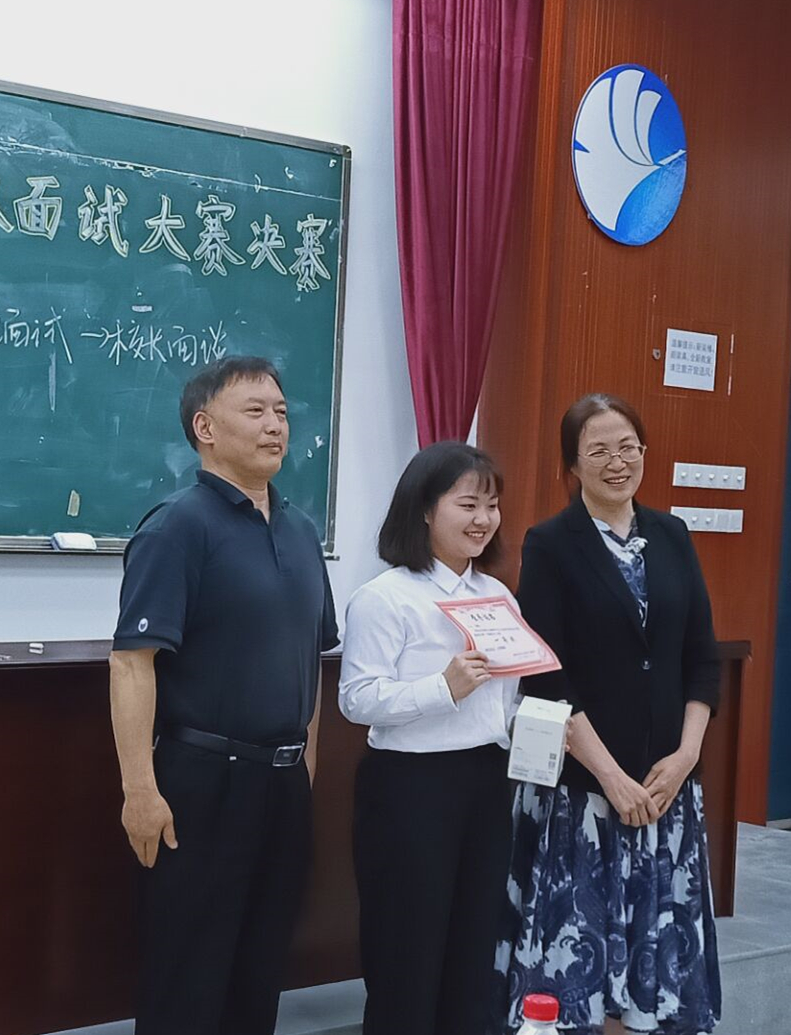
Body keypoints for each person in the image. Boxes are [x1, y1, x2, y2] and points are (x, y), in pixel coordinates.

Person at [108, 355, 340, 1035]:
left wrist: (304, 768)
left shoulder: (300, 530)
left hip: (281, 786)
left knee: (258, 975)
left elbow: (310, 659)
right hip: (202, 784)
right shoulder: (177, 526)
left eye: (282, 412)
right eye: (255, 411)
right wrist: (140, 790)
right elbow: (131, 664)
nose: (276, 425)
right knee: (189, 979)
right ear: (204, 428)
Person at [499, 393, 722, 1035]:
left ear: (645, 452)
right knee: (581, 980)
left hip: (666, 791)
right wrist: (612, 779)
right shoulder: (550, 544)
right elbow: (547, 678)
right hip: (585, 800)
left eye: (628, 447)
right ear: (572, 465)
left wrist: (685, 758)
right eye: (597, 451)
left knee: (659, 977)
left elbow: (702, 657)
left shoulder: (672, 534)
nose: (616, 462)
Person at [339, 442, 521, 1035]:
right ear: (424, 509)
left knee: (474, 951)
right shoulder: (386, 597)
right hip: (410, 790)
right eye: (468, 505)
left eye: (491, 505)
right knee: (407, 955)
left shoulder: (498, 597)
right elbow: (356, 700)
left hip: (486, 785)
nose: (483, 519)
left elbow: (505, 704)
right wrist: (442, 688)